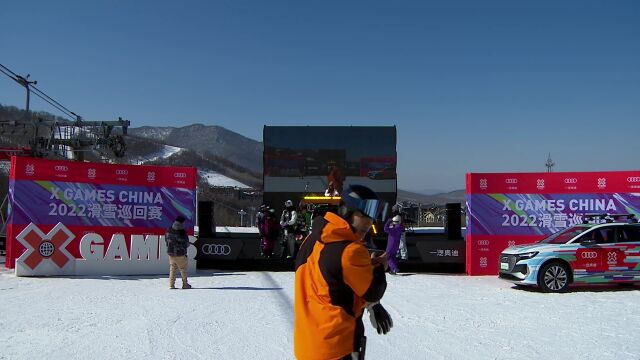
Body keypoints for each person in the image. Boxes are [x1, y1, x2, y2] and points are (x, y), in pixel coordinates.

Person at [294, 184, 393, 360]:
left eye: (372, 216)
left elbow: (332, 281)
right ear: (347, 211)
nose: (369, 222)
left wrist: (371, 304)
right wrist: (379, 267)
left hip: (307, 345)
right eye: (363, 214)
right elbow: (372, 289)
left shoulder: (312, 239)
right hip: (337, 347)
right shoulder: (351, 250)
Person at [165, 215, 191, 289]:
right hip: (180, 253)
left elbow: (166, 240)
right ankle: (185, 284)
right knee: (183, 269)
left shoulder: (169, 230)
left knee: (172, 268)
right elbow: (186, 243)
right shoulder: (182, 232)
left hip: (170, 252)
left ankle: (171, 284)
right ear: (182, 223)